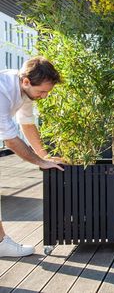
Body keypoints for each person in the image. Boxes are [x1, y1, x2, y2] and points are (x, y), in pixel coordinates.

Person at [0, 56, 64, 258]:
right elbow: (10, 140)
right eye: (42, 91)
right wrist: (39, 162)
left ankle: (1, 243)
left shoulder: (26, 92)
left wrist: (45, 156)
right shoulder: (2, 91)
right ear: (26, 81)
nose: (44, 96)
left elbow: (26, 124)